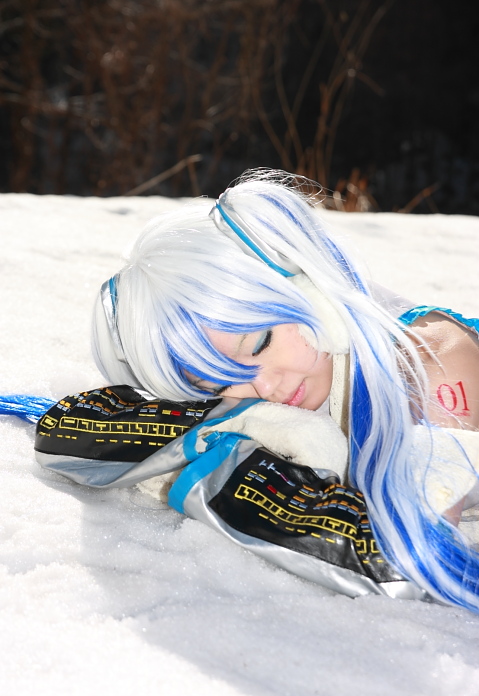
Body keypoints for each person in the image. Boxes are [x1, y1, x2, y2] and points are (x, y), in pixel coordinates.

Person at [7, 170, 479, 610]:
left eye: (259, 343)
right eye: (219, 381)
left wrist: (236, 482)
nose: (264, 387)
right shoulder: (306, 359)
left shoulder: (432, 374)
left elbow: (410, 560)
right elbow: (76, 430)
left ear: (308, 290)